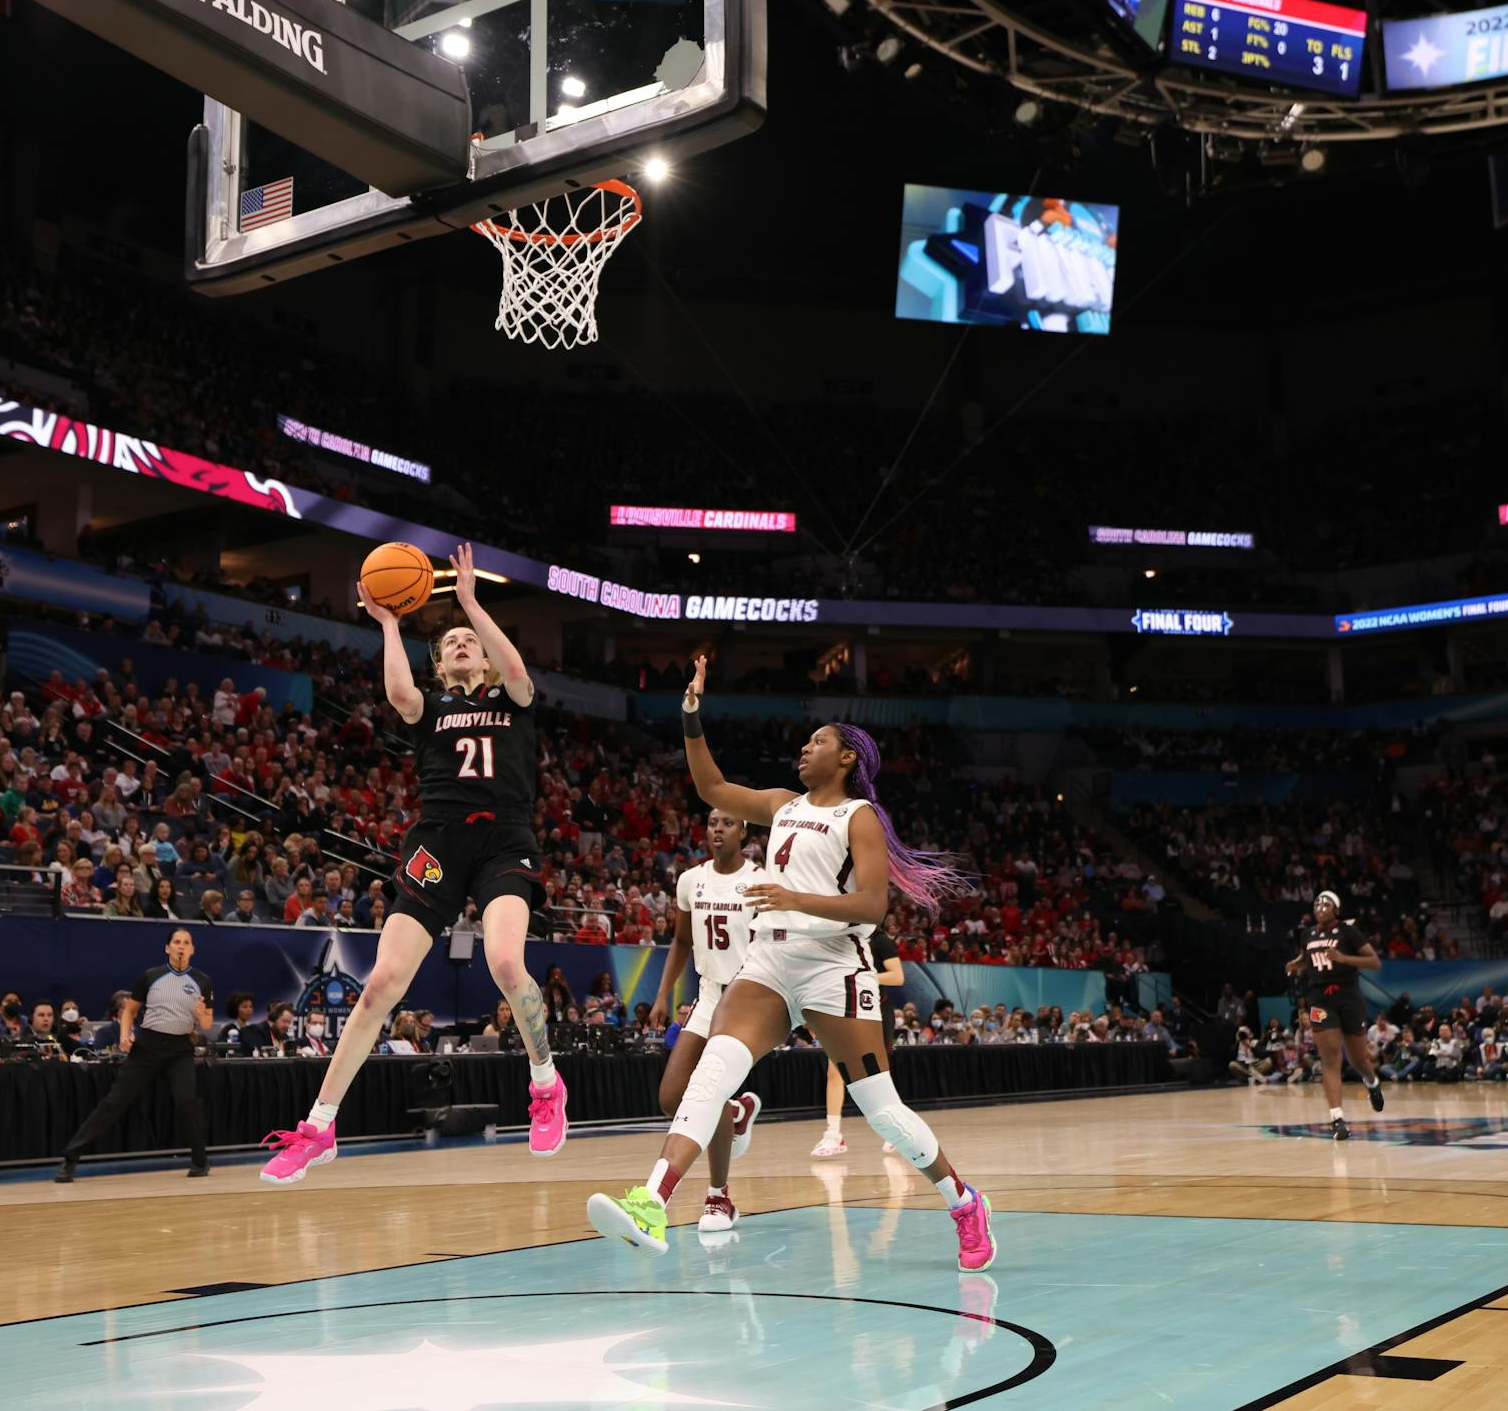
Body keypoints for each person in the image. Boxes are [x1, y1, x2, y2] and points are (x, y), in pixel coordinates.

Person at [588, 656, 996, 1270]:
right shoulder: (782, 804)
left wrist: (793, 898)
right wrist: (691, 716)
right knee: (712, 1074)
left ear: (847, 758)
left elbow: (873, 905)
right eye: (806, 741)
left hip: (834, 966)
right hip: (769, 961)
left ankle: (963, 1202)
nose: (805, 749)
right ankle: (652, 1201)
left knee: (882, 1111)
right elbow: (711, 788)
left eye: (818, 741)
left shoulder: (857, 817)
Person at [261, 544, 567, 1184]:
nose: (461, 643)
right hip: (438, 844)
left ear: (484, 654)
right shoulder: (430, 708)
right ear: (439, 663)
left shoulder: (514, 697)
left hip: (505, 838)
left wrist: (471, 605)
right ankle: (319, 1126)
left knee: (504, 961)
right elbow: (399, 693)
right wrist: (390, 622)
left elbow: (515, 665)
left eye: (469, 640)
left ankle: (545, 1083)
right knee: (380, 984)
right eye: (450, 641)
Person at [648, 807, 766, 1227]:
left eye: (728, 823)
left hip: (746, 998)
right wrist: (662, 995)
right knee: (670, 1098)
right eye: (713, 823)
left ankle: (719, 1197)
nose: (718, 829)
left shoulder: (759, 881)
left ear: (744, 831)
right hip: (709, 993)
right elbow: (681, 941)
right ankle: (735, 1114)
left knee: (709, 1092)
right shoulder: (691, 880)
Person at [56, 928, 214, 1181]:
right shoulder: (151, 976)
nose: (181, 946)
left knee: (187, 1102)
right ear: (167, 948)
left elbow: (206, 1025)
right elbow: (129, 1011)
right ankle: (70, 1158)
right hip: (148, 1046)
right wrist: (124, 1036)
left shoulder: (202, 981)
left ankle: (200, 1161)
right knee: (114, 1102)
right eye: (176, 942)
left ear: (192, 949)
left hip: (179, 1049)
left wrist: (201, 1013)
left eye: (186, 942)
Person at [1282, 892, 1384, 1140]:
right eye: (1317, 903)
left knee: (1358, 1061)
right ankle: (1337, 1119)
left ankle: (1371, 1082)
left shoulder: (1348, 932)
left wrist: (1343, 958)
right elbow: (1307, 958)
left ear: (1336, 910)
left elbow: (1374, 962)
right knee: (1330, 1059)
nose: (1320, 906)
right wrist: (1296, 964)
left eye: (1326, 903)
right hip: (1319, 999)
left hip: (1348, 997)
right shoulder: (1307, 934)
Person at [814, 923, 906, 1155]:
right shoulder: (836, 938)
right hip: (843, 1008)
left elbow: (897, 976)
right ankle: (833, 1135)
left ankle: (895, 1131)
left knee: (877, 1073)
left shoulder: (880, 940)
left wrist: (864, 976)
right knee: (834, 1072)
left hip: (875, 1010)